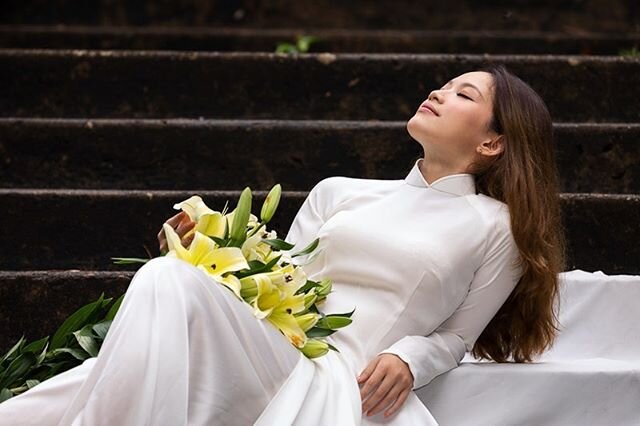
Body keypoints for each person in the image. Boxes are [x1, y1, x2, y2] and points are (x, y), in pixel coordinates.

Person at [0, 63, 566, 425]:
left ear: (493, 140)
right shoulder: (340, 191)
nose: (437, 93)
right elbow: (279, 278)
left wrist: (408, 357)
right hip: (271, 345)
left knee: (164, 281)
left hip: (334, 370)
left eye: (461, 93)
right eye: (442, 84)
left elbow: (456, 336)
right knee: (169, 273)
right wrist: (208, 248)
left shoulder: (497, 227)